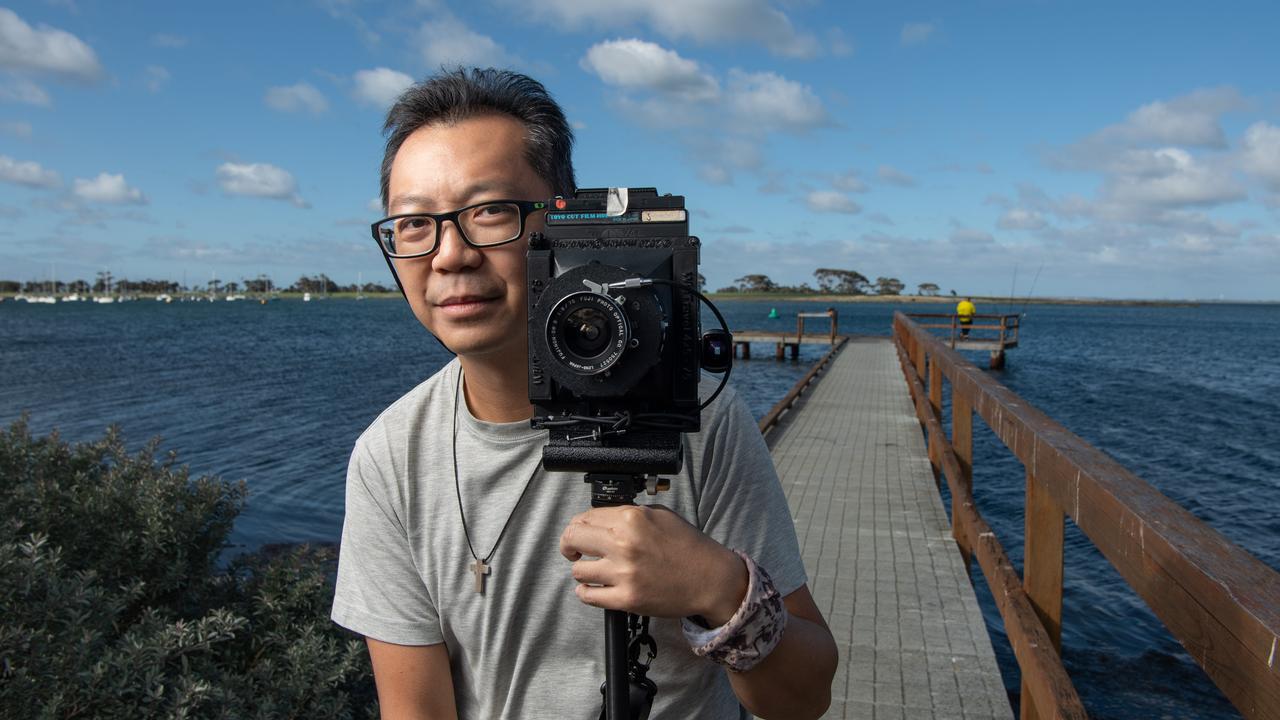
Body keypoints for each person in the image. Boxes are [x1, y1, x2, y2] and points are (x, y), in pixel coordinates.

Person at [331, 67, 837, 720]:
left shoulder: (696, 420)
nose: (449, 255)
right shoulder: (391, 457)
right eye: (412, 225)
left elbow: (801, 700)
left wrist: (717, 586)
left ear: (563, 226)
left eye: (490, 212)